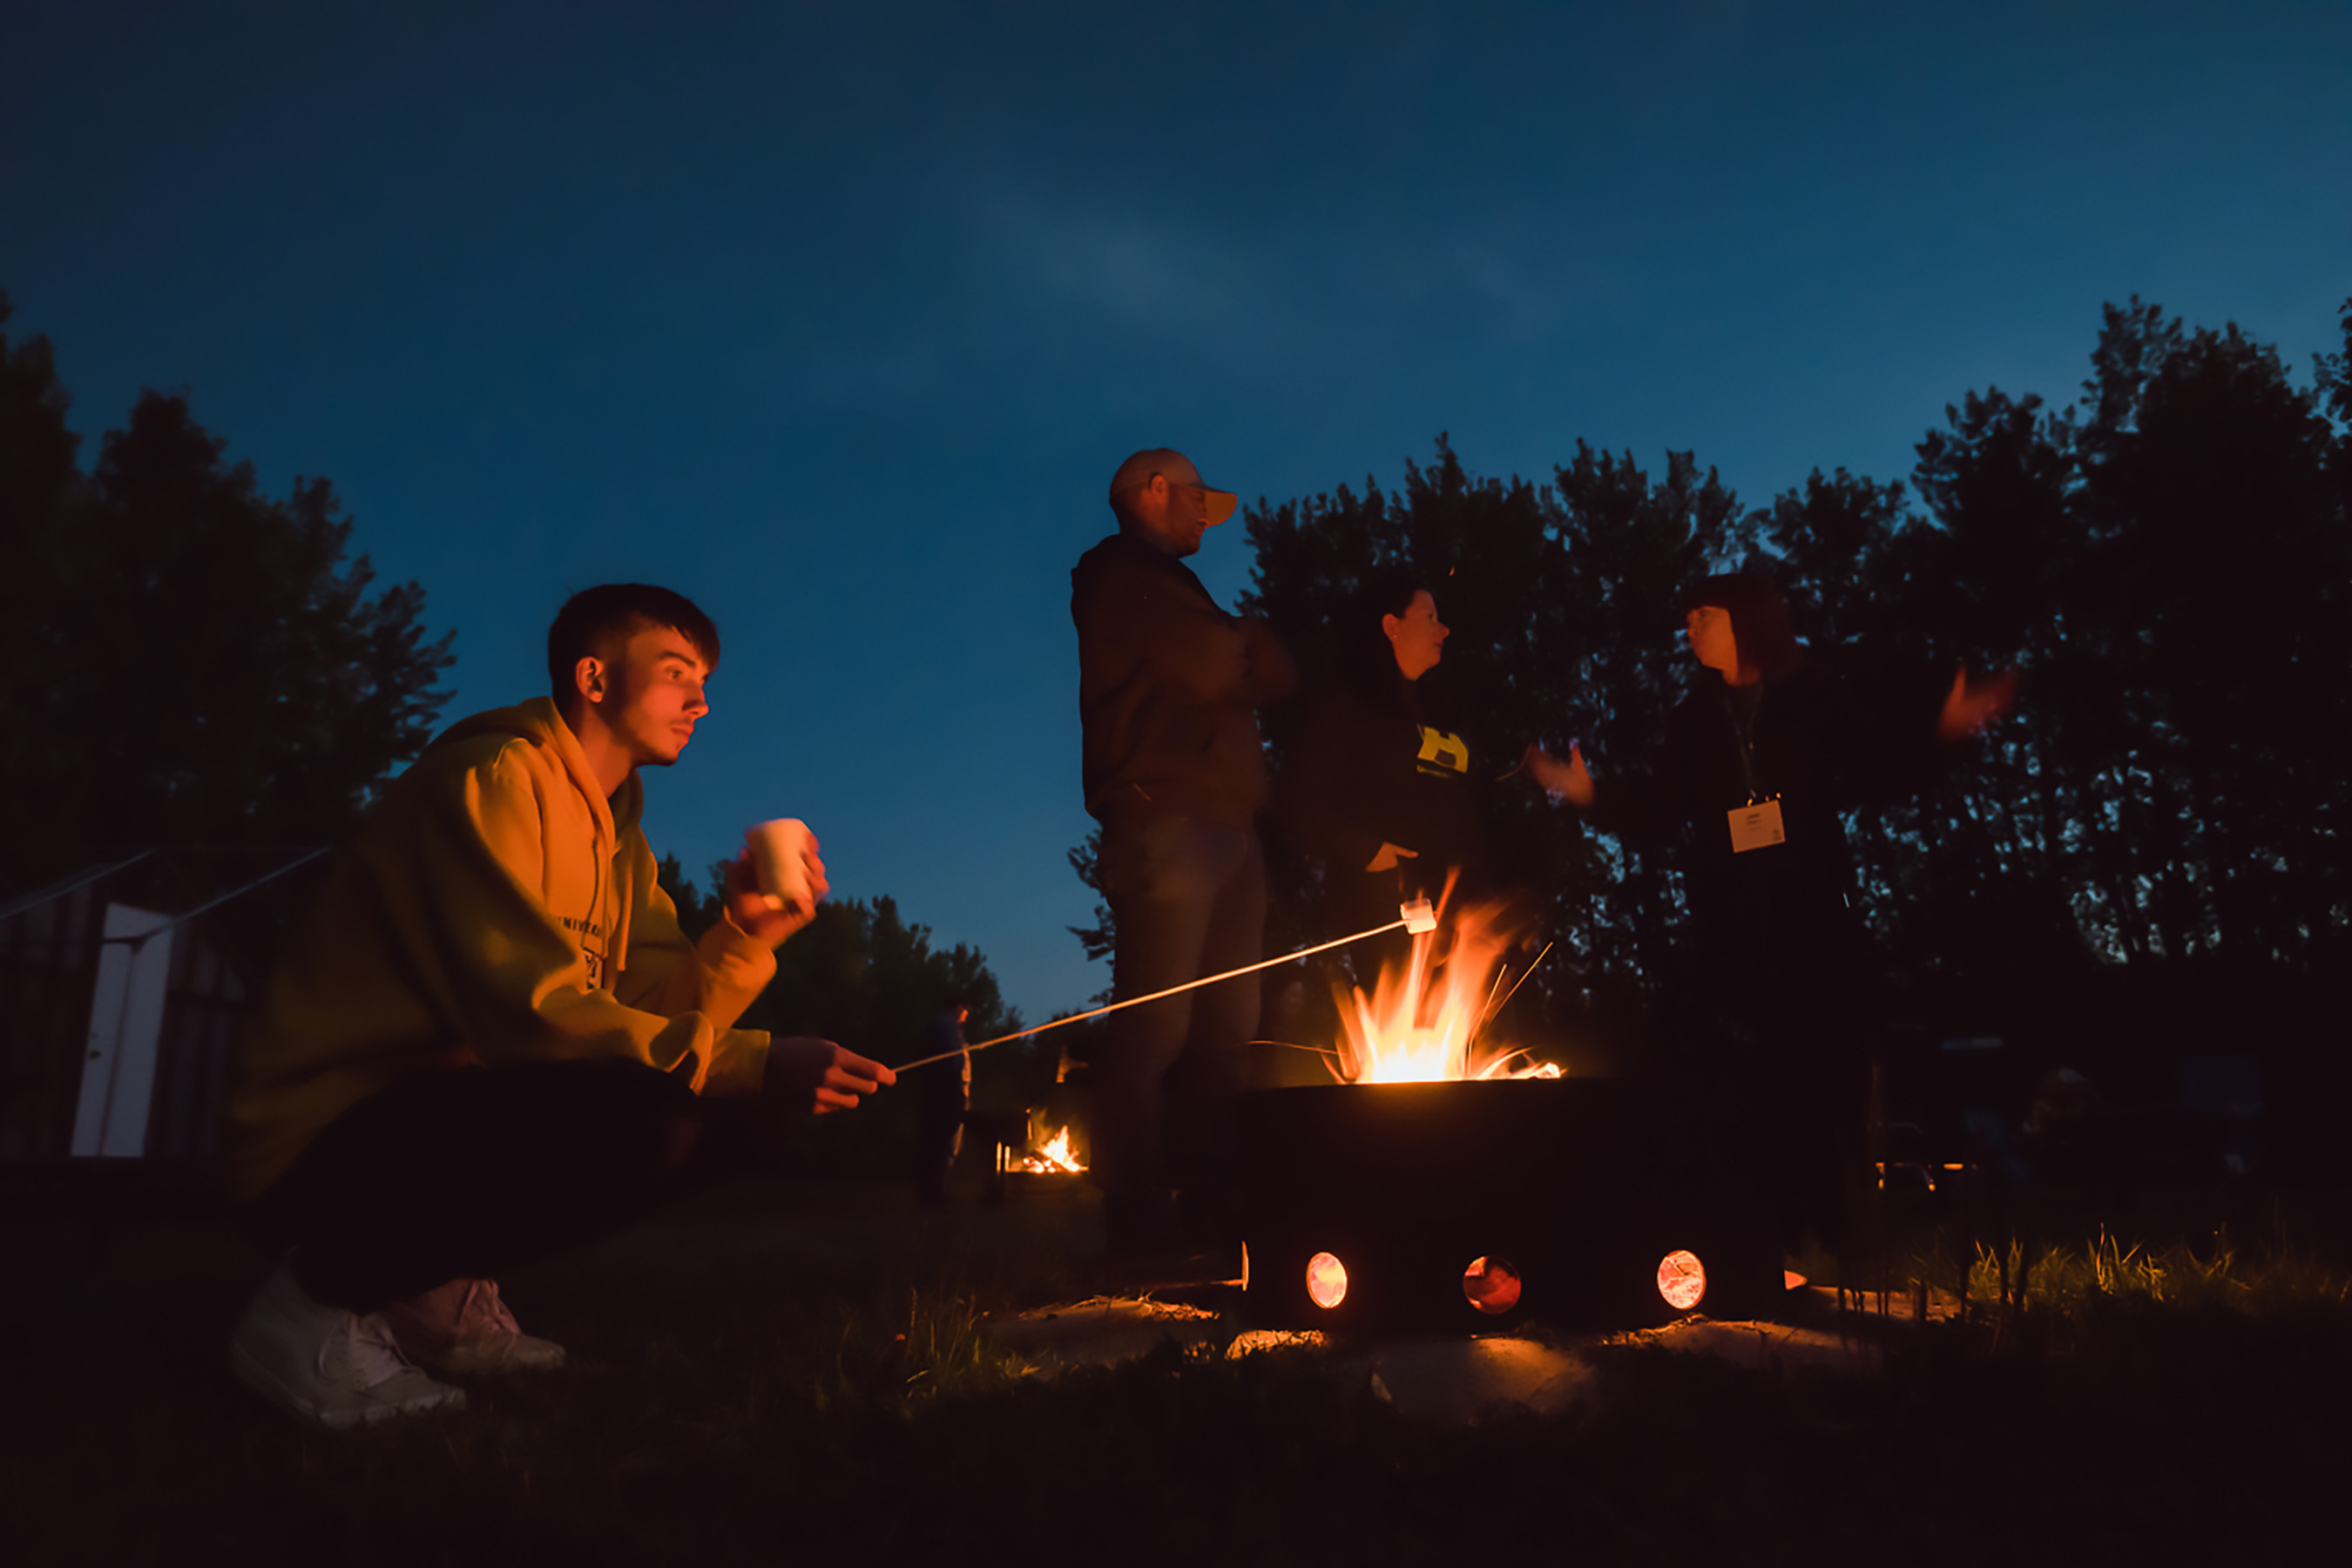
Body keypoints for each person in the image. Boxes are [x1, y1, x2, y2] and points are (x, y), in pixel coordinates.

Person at [223, 583, 894, 1429]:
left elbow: (651, 1009)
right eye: (677, 672)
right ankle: (307, 1312)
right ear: (594, 677)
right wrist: (754, 1062)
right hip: (315, 1142)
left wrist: (743, 935)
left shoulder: (620, 842)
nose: (702, 699)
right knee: (660, 1112)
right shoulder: (495, 776)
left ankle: (426, 1299)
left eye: (706, 680)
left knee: (711, 1110)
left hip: (423, 1121)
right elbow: (530, 1015)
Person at [1524, 571, 2012, 1251]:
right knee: (1754, 1093)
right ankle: (1771, 1247)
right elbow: (1661, 812)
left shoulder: (1812, 697)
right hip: (1729, 933)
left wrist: (1945, 731)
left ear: (1745, 620)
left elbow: (1878, 768)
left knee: (1824, 1081)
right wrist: (1589, 796)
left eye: (1701, 616)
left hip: (1815, 926)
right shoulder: (1693, 721)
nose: (1687, 630)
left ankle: (1844, 1243)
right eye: (1686, 620)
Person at [1071, 448, 1297, 1249]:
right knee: (1154, 1021)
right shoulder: (1117, 572)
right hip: (1167, 821)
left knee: (1228, 1026)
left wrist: (1243, 646)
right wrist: (1247, 640)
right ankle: (1132, 1212)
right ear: (1154, 491)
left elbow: (1267, 674)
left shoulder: (1174, 587)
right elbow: (1220, 664)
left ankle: (1211, 1201)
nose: (1207, 513)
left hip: (1230, 826)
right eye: (1199, 497)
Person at [1278, 568, 1497, 981]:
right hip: (1395, 904)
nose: (1445, 629)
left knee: (1487, 1022)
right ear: (1391, 626)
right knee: (1412, 1028)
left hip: (1466, 901)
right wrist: (1367, 852)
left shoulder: (1441, 712)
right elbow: (1299, 799)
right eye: (1430, 617)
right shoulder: (1348, 707)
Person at [910, 998, 970, 1207]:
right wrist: (956, 1091)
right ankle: (934, 1196)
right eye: (965, 1012)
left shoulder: (941, 1025)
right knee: (942, 1144)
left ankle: (931, 1193)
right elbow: (953, 1062)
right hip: (945, 1093)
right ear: (959, 1008)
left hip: (937, 1092)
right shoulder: (945, 1026)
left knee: (935, 1143)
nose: (966, 1017)